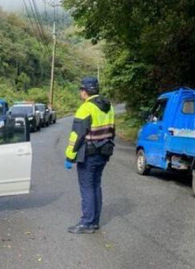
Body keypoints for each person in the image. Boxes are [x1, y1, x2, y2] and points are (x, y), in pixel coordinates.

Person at [64, 77, 115, 234]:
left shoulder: (85, 108)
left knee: (87, 187)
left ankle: (87, 222)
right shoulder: (109, 107)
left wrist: (69, 156)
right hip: (103, 152)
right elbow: (112, 130)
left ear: (84, 91)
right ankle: (94, 221)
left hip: (89, 153)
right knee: (95, 186)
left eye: (81, 90)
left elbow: (77, 135)